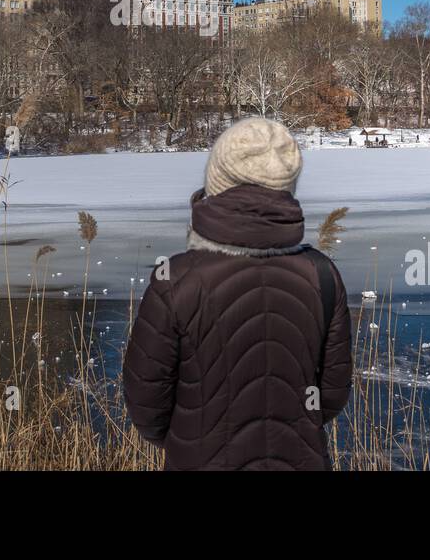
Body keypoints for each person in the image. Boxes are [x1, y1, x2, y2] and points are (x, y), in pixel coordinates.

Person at [123, 116, 353, 470]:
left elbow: (146, 401)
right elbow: (332, 394)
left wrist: (192, 441)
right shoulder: (321, 273)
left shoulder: (176, 279)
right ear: (287, 188)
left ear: (217, 183)